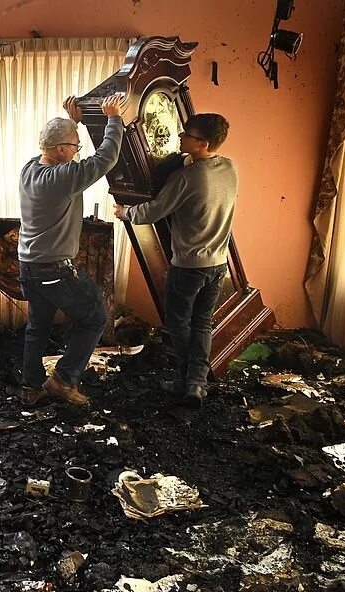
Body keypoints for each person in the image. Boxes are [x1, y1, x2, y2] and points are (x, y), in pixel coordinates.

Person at [114, 113, 237, 408]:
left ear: (203, 143)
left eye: (187, 135)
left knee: (178, 323)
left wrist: (125, 213)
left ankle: (185, 380)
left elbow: (155, 210)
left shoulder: (188, 178)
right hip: (218, 264)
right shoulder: (229, 167)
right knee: (203, 322)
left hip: (188, 266)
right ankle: (197, 382)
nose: (181, 137)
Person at [18, 93, 128, 407]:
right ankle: (63, 379)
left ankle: (30, 386)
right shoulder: (63, 177)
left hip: (29, 265)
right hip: (53, 269)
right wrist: (114, 118)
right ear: (61, 150)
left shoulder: (30, 168)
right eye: (75, 146)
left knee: (37, 327)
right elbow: (105, 159)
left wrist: (73, 124)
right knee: (95, 317)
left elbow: (67, 155)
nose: (77, 151)